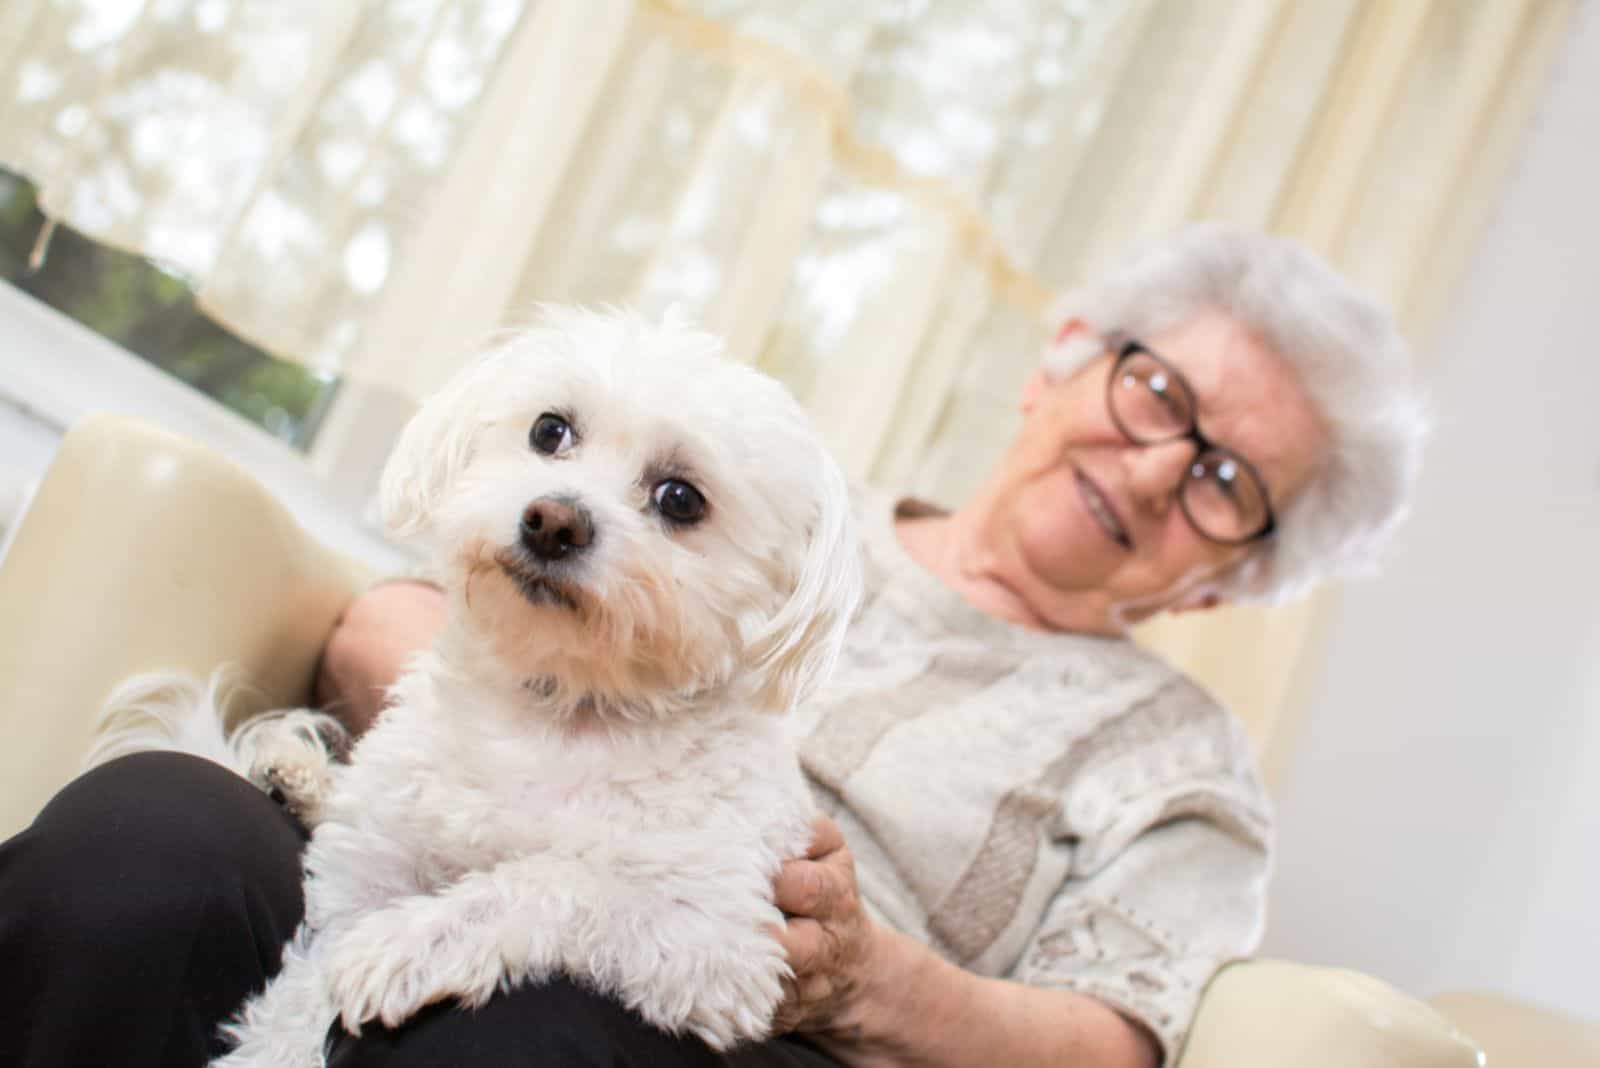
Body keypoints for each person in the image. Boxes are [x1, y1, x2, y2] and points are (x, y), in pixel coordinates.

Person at [0, 222, 1425, 1068]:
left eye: (1230, 481)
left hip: (738, 1028)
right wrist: (510, 762)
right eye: (1154, 386)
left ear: (1240, 581)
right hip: (434, 841)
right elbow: (401, 605)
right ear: (1063, 354)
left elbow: (1118, 1044)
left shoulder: (1187, 767)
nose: (1162, 463)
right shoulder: (771, 502)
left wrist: (868, 973)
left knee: (528, 1040)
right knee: (149, 848)